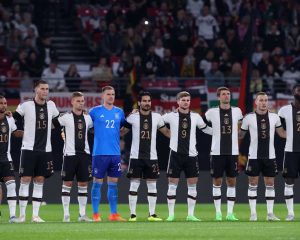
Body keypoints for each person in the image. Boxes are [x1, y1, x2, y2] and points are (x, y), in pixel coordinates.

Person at [13, 80, 59, 223]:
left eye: (47, 89)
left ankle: (35, 216)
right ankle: (21, 216)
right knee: (25, 180)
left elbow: (57, 122)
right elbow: (13, 118)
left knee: (40, 180)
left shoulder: (51, 106)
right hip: (28, 149)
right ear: (35, 90)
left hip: (45, 150)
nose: (45, 91)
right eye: (42, 88)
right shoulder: (26, 105)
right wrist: (16, 131)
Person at [163, 91, 212, 221]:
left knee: (192, 185)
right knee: (172, 185)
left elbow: (205, 129)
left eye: (188, 100)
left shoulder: (196, 117)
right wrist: (137, 113)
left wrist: (219, 132)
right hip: (175, 154)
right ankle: (171, 215)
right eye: (183, 100)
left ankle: (190, 215)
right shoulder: (170, 116)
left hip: (191, 155)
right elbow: (156, 121)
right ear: (178, 101)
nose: (186, 102)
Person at [123, 91, 170, 221]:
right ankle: (133, 215)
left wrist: (183, 135)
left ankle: (152, 214)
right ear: (139, 103)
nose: (147, 103)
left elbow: (166, 132)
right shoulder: (132, 117)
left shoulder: (156, 117)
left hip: (152, 157)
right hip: (136, 157)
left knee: (152, 185)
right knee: (134, 185)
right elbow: (122, 132)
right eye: (144, 101)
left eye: (149, 101)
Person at [240, 92, 286, 221]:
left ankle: (270, 214)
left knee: (270, 183)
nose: (263, 102)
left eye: (265, 100)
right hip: (254, 156)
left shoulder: (274, 117)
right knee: (253, 183)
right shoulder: (248, 118)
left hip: (270, 156)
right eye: (261, 100)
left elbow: (282, 133)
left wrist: (295, 133)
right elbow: (241, 135)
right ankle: (253, 214)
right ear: (256, 102)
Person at [52, 92, 93, 222]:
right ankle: (66, 215)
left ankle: (82, 215)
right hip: (69, 155)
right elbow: (52, 125)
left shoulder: (88, 118)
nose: (81, 103)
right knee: (67, 183)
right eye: (78, 101)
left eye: (82, 101)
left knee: (83, 184)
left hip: (85, 155)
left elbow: (93, 129)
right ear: (72, 102)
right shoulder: (65, 117)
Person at [205, 87, 243, 221]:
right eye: (223, 94)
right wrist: (215, 133)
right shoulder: (211, 112)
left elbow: (241, 126)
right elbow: (204, 128)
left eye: (228, 94)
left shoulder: (237, 111)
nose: (226, 96)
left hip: (232, 152)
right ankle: (218, 212)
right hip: (216, 152)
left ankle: (230, 213)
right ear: (218, 97)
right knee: (217, 181)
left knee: (232, 181)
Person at [89, 86, 126, 222]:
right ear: (103, 96)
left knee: (113, 183)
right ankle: (95, 214)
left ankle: (113, 214)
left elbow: (123, 129)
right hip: (99, 153)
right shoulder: (94, 112)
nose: (111, 96)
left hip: (115, 153)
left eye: (113, 94)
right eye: (108, 94)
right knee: (97, 182)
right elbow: (87, 127)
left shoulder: (119, 112)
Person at [278, 84, 300, 221]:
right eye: (298, 89)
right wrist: (286, 135)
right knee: (289, 181)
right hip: (291, 151)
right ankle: (290, 213)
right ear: (293, 92)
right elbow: (278, 127)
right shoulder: (284, 110)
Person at [0, 95, 23, 223]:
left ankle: (13, 216)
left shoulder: (9, 119)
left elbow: (15, 132)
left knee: (12, 185)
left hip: (6, 159)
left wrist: (28, 133)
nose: (4, 105)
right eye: (1, 103)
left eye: (5, 103)